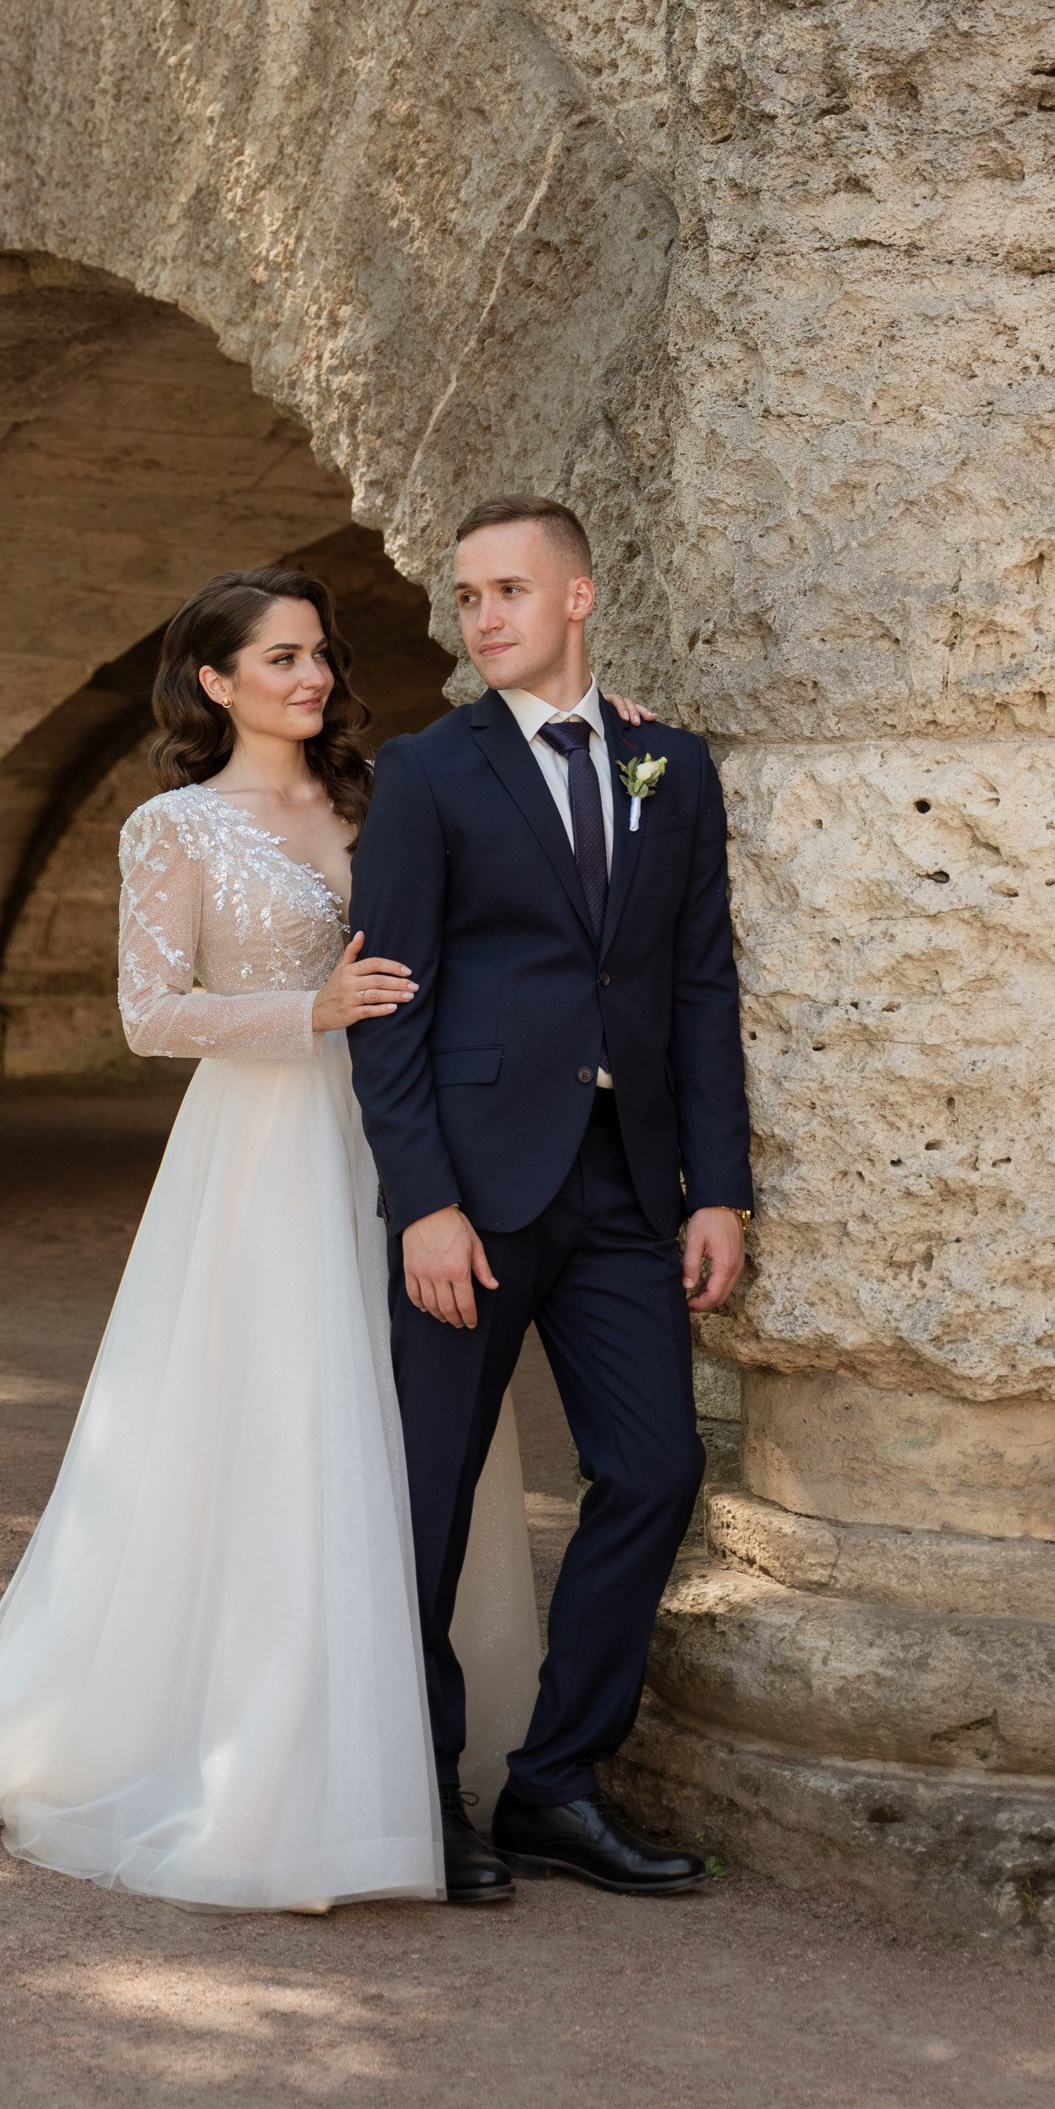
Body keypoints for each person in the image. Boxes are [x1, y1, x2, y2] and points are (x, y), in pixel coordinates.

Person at [0, 566, 539, 1910]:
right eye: (280, 659)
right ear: (215, 682)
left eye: (318, 654)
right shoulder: (174, 826)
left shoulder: (382, 796)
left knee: (415, 1428)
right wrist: (307, 1010)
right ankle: (271, 1752)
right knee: (284, 1422)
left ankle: (428, 1743)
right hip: (267, 1148)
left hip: (402, 1135)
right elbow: (149, 1014)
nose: (312, 677)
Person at [348, 496, 752, 1900]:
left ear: (579, 596)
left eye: (509, 591)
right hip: (472, 1194)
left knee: (656, 1469)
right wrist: (422, 1203)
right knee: (430, 1498)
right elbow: (387, 1007)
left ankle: (556, 1786)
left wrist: (718, 1189)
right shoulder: (427, 773)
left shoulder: (669, 766)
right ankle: (421, 1792)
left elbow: (698, 982)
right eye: (468, 597)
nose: (484, 618)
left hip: (628, 1188)